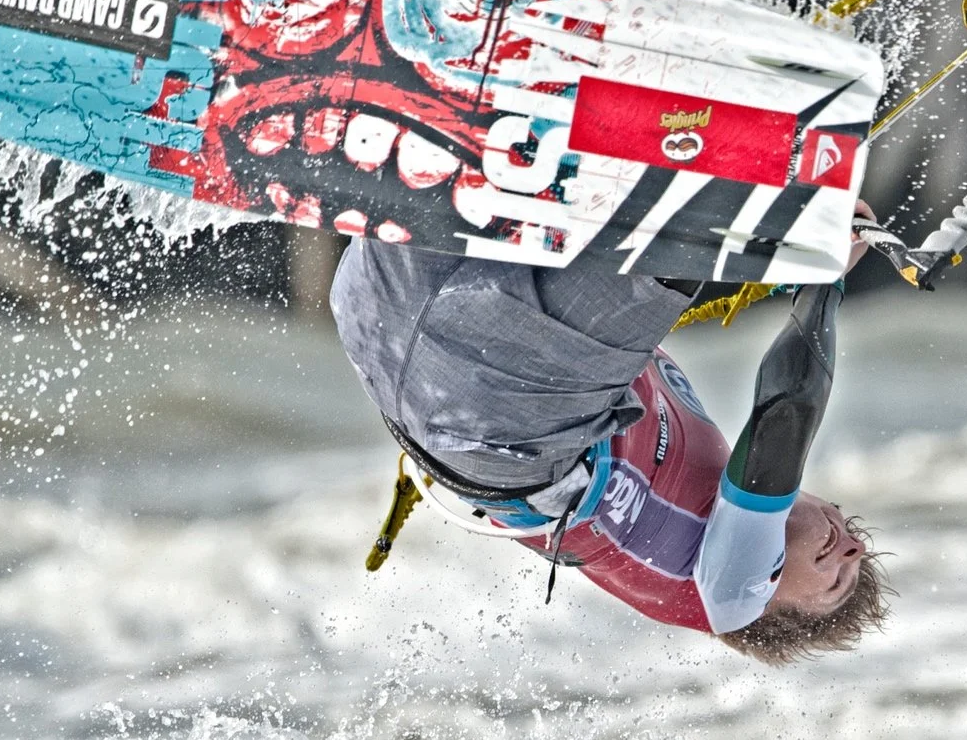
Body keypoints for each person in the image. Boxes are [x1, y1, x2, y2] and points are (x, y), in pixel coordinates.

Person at [330, 218, 888, 664]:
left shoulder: (735, 599)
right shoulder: (688, 459)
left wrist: (827, 275)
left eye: (836, 581)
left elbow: (787, 410)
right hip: (384, 328)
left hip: (497, 415)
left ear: (773, 611)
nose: (851, 549)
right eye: (855, 542)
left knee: (681, 232)